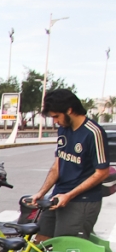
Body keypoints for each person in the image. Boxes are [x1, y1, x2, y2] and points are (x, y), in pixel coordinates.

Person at [30, 88, 110, 239]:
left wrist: (69, 195)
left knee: (64, 247)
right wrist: (42, 192)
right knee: (41, 240)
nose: (55, 121)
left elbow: (102, 172)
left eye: (56, 116)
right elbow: (57, 166)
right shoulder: (63, 130)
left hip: (81, 201)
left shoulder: (93, 132)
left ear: (70, 110)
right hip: (58, 196)